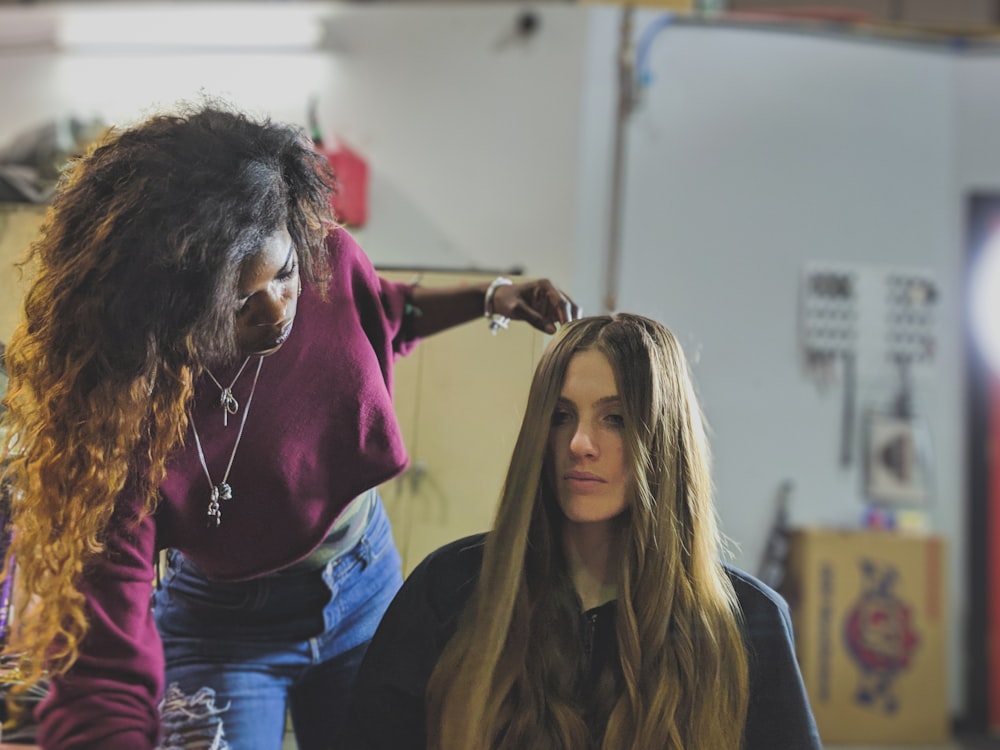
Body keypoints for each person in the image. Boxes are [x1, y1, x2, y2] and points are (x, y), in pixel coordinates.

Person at [0, 102, 579, 750]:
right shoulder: (125, 413)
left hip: (366, 584)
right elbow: (104, 671)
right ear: (175, 304)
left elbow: (385, 311)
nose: (276, 308)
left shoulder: (327, 258)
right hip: (227, 629)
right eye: (243, 300)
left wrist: (489, 296)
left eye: (284, 276)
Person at [344, 313, 822, 750]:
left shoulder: (747, 623)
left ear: (663, 439)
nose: (579, 443)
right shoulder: (449, 589)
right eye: (561, 416)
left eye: (614, 419)